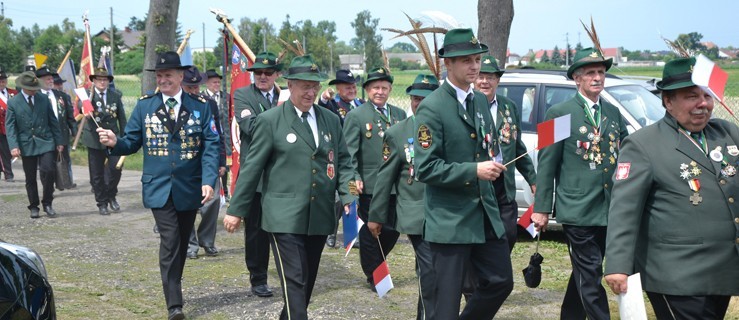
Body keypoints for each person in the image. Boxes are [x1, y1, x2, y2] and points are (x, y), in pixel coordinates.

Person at [604, 57, 739, 319]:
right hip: (677, 273)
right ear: (667, 101)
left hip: (722, 270)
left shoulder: (726, 133)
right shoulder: (643, 144)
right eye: (691, 96)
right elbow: (624, 210)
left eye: (706, 96)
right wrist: (618, 265)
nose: (702, 104)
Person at [223, 55, 356, 320]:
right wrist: (236, 209)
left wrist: (349, 194)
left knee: (306, 281)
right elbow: (252, 167)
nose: (310, 92)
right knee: (294, 278)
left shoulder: (330, 120)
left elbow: (345, 163)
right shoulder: (271, 121)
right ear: (290, 85)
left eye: (314, 86)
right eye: (304, 86)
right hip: (283, 215)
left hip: (319, 213)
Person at [96, 51, 219, 320]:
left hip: (190, 187)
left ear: (180, 76)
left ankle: (174, 281)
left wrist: (209, 180)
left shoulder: (201, 106)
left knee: (183, 239)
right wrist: (115, 142)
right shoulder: (145, 106)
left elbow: (211, 147)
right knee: (171, 238)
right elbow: (131, 142)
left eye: (168, 75)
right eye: (159, 75)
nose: (163, 80)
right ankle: (174, 303)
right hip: (158, 187)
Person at [414, 28, 513, 320]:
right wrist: (474, 170)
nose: (475, 66)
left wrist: (493, 163)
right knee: (445, 304)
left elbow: (487, 146)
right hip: (450, 220)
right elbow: (425, 167)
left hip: (484, 215)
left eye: (477, 59)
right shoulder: (432, 108)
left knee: (500, 282)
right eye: (466, 60)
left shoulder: (480, 101)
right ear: (448, 64)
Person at [532, 47, 628, 320]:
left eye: (601, 72)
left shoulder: (612, 112)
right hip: (577, 208)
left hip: (608, 207)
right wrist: (541, 208)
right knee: (591, 272)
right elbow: (547, 163)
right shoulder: (558, 113)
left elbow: (626, 154)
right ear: (577, 78)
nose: (597, 77)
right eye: (590, 73)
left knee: (586, 271)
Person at [367, 74, 439, 320]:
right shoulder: (398, 133)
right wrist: (375, 216)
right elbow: (384, 178)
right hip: (416, 213)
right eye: (416, 98)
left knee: (444, 273)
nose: (420, 103)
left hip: (448, 212)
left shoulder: (447, 128)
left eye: (426, 99)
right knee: (430, 272)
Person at [343, 66, 406, 289]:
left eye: (384, 88)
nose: (380, 92)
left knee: (392, 229)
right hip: (370, 184)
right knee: (372, 230)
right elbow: (348, 153)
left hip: (397, 185)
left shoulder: (399, 115)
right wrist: (353, 179)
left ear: (390, 89)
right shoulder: (356, 116)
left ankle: (376, 266)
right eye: (375, 88)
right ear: (367, 90)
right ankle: (374, 275)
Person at [231, 51, 282, 298]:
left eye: (268, 73)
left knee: (285, 230)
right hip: (257, 176)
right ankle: (258, 277)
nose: (262, 77)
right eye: (258, 73)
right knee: (257, 232)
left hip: (285, 175)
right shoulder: (243, 95)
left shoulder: (286, 96)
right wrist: (282, 117)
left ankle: (289, 275)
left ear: (276, 75)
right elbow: (250, 127)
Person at [474, 56, 536, 251]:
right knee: (481, 237)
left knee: (508, 234)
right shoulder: (467, 106)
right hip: (478, 182)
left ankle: (495, 271)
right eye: (480, 77)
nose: (485, 82)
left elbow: (518, 147)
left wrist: (533, 179)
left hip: (503, 182)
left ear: (498, 81)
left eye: (490, 77)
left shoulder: (508, 107)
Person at [182, 66, 227, 259]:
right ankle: (190, 244)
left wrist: (222, 160)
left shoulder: (209, 104)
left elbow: (218, 134)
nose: (194, 91)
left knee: (213, 200)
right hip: (185, 163)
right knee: (188, 204)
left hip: (208, 160)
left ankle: (207, 240)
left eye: (196, 87)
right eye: (190, 88)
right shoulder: (175, 105)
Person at [5, 71, 64, 218]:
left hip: (45, 141)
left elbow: (53, 121)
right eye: (32, 89)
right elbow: (10, 126)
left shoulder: (43, 99)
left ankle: (48, 203)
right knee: (30, 177)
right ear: (24, 87)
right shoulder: (13, 102)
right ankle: (33, 206)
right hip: (26, 144)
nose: (34, 91)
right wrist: (14, 146)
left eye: (36, 88)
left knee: (49, 171)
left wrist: (59, 141)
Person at [318, 69, 365, 248]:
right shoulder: (333, 105)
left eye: (353, 86)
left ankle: (354, 234)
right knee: (339, 198)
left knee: (355, 195)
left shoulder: (361, 104)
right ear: (338, 88)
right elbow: (322, 106)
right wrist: (324, 97)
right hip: (339, 159)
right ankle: (331, 230)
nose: (352, 90)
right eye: (347, 87)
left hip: (359, 159)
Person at [81, 67, 126, 215]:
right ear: (93, 81)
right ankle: (101, 202)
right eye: (99, 79)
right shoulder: (87, 96)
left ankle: (111, 195)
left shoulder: (115, 95)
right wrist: (85, 113)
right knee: (97, 173)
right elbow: (82, 110)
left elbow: (121, 118)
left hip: (113, 139)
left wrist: (125, 138)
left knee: (116, 168)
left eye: (105, 79)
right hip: (95, 139)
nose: (102, 82)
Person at [36, 66, 77, 191]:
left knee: (63, 161)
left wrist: (74, 130)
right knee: (46, 166)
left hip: (61, 135)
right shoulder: (36, 96)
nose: (51, 81)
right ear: (39, 81)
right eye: (47, 79)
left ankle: (63, 182)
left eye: (51, 79)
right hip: (43, 137)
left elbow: (69, 115)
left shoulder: (61, 96)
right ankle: (48, 188)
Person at [203, 69, 232, 201]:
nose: (216, 85)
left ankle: (225, 190)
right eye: (214, 82)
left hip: (226, 134)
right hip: (211, 133)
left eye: (218, 82)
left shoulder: (226, 97)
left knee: (225, 162)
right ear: (207, 83)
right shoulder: (202, 98)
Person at [0, 67, 17, 182]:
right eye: (0, 80)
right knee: (4, 152)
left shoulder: (13, 93)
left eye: (4, 80)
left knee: (9, 152)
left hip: (13, 127)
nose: (2, 82)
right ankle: (8, 174)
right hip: (1, 128)